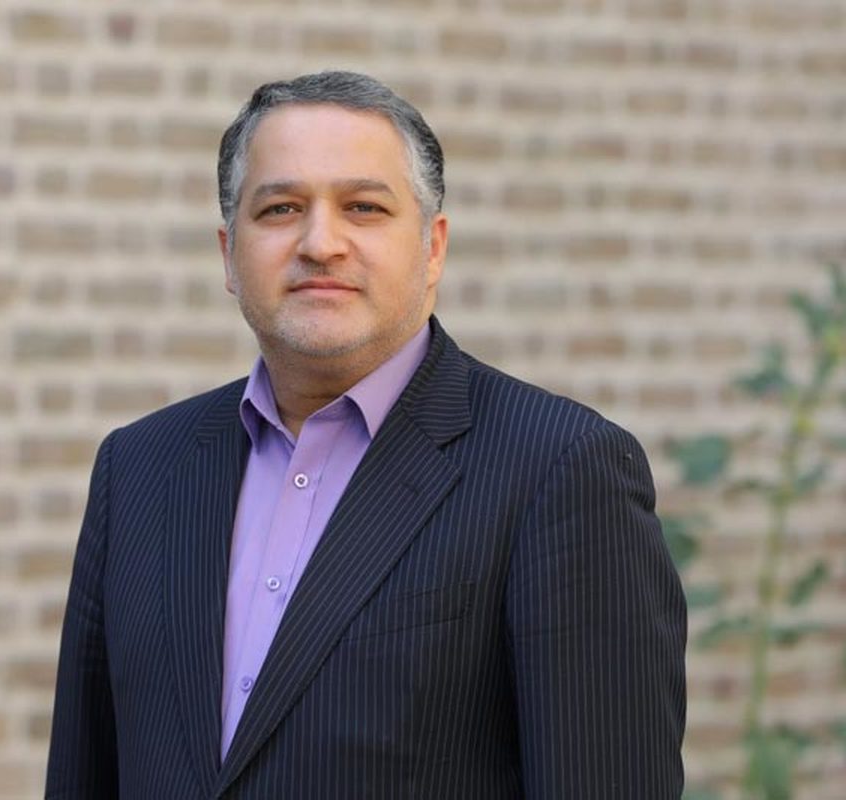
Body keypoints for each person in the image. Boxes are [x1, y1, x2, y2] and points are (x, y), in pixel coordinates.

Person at [45, 70, 686, 799]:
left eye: (364, 207)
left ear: (433, 248)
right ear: (228, 253)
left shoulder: (559, 470)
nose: (321, 243)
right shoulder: (138, 468)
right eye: (281, 208)